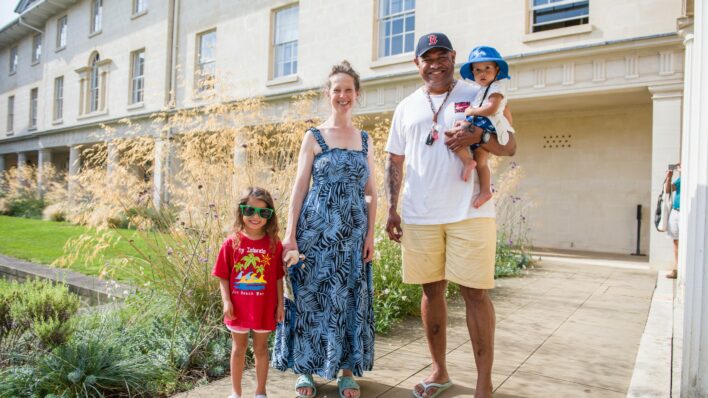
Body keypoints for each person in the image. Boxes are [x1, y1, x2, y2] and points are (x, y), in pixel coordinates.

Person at [385, 33, 516, 398]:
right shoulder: (406, 106)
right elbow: (394, 160)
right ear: (417, 63)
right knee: (432, 292)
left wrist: (476, 137)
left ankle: (483, 384)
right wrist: (391, 209)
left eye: (442, 56)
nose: (436, 63)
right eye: (428, 58)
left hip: (469, 213)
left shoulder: (479, 92)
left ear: (454, 58)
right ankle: (440, 372)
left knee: (476, 294)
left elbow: (509, 145)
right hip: (420, 213)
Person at [272, 60, 377, 398]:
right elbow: (299, 188)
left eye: (348, 89)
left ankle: (346, 371)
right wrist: (289, 234)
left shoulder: (365, 139)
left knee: (350, 299)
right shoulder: (314, 136)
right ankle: (306, 371)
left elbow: (371, 192)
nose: (342, 95)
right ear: (327, 94)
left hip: (352, 236)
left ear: (357, 95)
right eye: (336, 90)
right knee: (309, 298)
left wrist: (371, 234)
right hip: (315, 233)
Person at [212, 187, 285, 398]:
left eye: (263, 213)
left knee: (261, 349)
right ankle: (236, 392)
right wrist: (226, 302)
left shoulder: (274, 244)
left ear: (270, 216)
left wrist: (280, 304)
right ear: (241, 211)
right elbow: (223, 276)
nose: (256, 217)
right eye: (250, 211)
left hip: (264, 307)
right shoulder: (231, 242)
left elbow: (278, 277)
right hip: (238, 308)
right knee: (238, 348)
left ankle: (260, 392)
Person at [458, 45, 515, 207]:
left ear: (497, 70)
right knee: (481, 162)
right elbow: (507, 113)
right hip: (485, 125)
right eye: (477, 70)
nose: (482, 73)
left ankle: (467, 161)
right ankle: (485, 190)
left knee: (456, 131)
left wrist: (471, 111)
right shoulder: (481, 90)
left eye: (487, 68)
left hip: (486, 123)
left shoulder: (496, 88)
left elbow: (492, 108)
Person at [665, 163, 681, 279]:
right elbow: (668, 190)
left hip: (684, 213)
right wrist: (669, 176)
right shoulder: (681, 178)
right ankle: (677, 268)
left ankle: (682, 268)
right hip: (675, 211)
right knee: (675, 241)